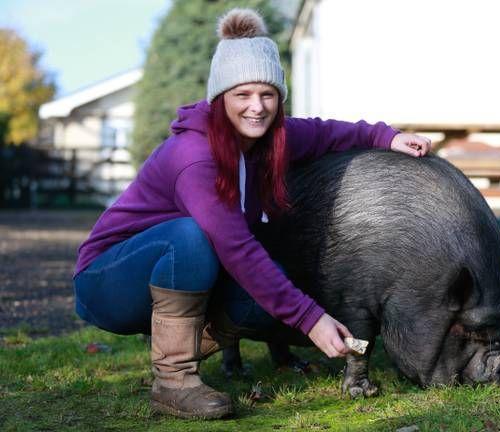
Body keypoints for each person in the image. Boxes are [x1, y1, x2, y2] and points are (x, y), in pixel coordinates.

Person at [72, 8, 432, 420]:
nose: (256, 107)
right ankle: (173, 381)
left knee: (264, 298)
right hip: (109, 281)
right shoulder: (193, 156)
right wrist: (312, 320)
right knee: (191, 238)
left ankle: (180, 341)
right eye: (242, 95)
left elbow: (329, 131)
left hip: (177, 273)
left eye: (268, 94)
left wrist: (387, 136)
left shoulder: (271, 137)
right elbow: (235, 247)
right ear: (221, 98)